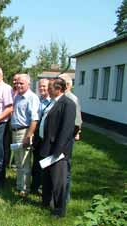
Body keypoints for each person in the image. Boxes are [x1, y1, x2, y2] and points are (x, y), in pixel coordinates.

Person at [34, 78, 76, 217]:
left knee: (59, 182)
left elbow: (66, 129)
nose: (47, 89)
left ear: (58, 89)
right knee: (46, 177)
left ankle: (59, 210)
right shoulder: (52, 102)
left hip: (57, 150)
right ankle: (47, 202)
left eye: (50, 87)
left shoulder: (67, 104)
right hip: (46, 146)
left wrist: (58, 151)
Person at [10, 73, 40, 196]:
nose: (18, 85)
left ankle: (25, 189)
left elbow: (34, 119)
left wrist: (28, 136)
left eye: (21, 83)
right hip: (15, 131)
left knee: (24, 162)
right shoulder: (17, 97)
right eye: (17, 83)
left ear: (28, 84)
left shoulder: (32, 98)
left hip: (24, 132)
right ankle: (19, 185)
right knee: (18, 162)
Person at [58, 74, 83, 203]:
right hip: (59, 138)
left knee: (65, 167)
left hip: (67, 139)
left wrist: (71, 136)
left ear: (67, 85)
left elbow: (77, 123)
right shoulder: (61, 97)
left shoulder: (72, 99)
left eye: (59, 82)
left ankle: (65, 197)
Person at [31, 78, 51, 193]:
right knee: (36, 161)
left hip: (46, 137)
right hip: (37, 136)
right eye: (40, 86)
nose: (42, 88)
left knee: (45, 162)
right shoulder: (37, 100)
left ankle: (43, 186)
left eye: (44, 86)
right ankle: (35, 185)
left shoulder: (51, 102)